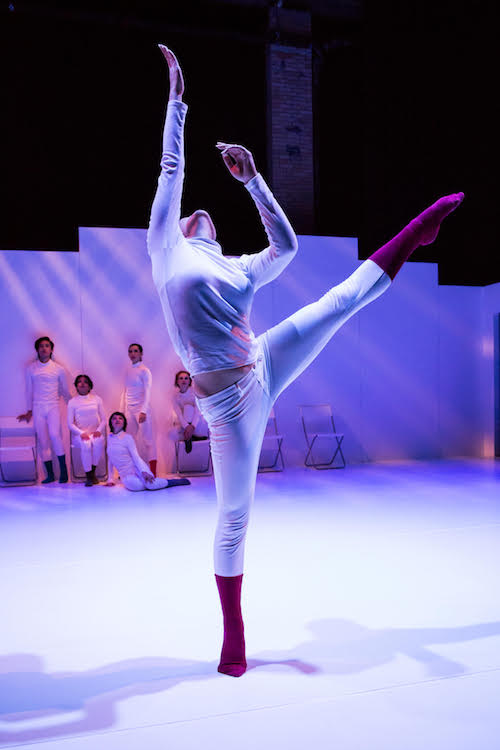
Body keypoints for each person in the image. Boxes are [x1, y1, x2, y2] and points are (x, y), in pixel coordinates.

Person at [147, 46, 464, 677]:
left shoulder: (238, 268)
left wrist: (254, 179)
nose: (197, 211)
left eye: (204, 213)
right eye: (191, 213)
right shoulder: (164, 249)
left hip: (261, 359)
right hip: (230, 408)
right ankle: (233, 634)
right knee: (234, 515)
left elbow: (286, 246)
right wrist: (178, 101)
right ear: (181, 227)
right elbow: (171, 167)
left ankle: (415, 232)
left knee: (338, 303)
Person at [17, 336, 71, 484]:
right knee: (43, 440)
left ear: (51, 349)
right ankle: (50, 475)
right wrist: (29, 410)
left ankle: (64, 472)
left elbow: (65, 390)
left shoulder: (59, 369)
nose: (44, 348)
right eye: (41, 346)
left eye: (47, 346)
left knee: (55, 435)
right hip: (37, 407)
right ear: (37, 349)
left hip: (53, 405)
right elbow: (28, 390)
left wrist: (74, 405)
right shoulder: (31, 368)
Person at [105, 411, 189, 491]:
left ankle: (172, 482)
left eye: (120, 418)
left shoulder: (127, 438)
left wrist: (143, 471)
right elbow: (110, 459)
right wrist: (110, 479)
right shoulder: (110, 438)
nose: (117, 420)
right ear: (111, 422)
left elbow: (136, 457)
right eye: (114, 418)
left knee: (150, 485)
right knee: (136, 486)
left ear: (124, 423)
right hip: (126, 475)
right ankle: (155, 483)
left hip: (137, 469)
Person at [120, 343, 157, 476]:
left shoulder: (144, 370)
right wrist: (123, 412)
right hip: (129, 410)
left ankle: (153, 473)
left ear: (141, 354)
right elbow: (126, 392)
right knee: (130, 441)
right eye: (130, 351)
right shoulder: (128, 370)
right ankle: (132, 471)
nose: (133, 353)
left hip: (141, 410)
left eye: (135, 351)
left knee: (148, 441)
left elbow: (148, 391)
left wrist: (144, 410)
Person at [67, 374, 106, 486]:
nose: (82, 383)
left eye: (85, 382)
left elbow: (104, 419)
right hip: (80, 435)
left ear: (89, 386)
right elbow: (70, 424)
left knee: (98, 442)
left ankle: (92, 473)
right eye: (79, 382)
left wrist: (98, 430)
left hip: (95, 433)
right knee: (86, 444)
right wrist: (81, 433)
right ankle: (89, 476)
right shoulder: (72, 402)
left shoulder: (97, 399)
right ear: (76, 386)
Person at [172, 370, 208, 453]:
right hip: (185, 426)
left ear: (189, 381)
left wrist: (192, 427)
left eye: (186, 378)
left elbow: (197, 411)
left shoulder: (195, 393)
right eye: (181, 378)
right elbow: (179, 414)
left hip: (197, 423)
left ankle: (189, 436)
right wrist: (187, 427)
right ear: (177, 381)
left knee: (188, 407)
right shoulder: (175, 397)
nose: (183, 380)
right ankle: (190, 436)